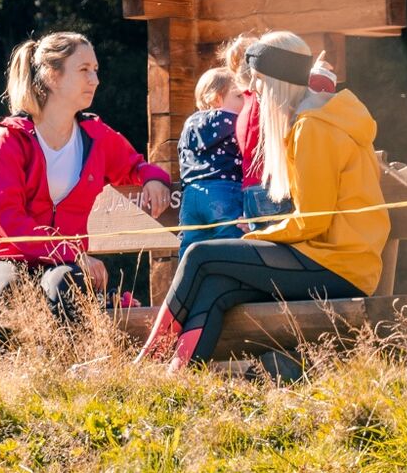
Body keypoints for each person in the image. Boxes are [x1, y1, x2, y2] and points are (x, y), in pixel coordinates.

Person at [140, 33, 385, 369]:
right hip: (328, 257)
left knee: (200, 254)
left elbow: (313, 220)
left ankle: (146, 363)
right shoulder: (321, 116)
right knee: (217, 286)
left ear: (276, 81)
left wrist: (255, 237)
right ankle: (174, 378)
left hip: (340, 265)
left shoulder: (313, 128)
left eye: (256, 80)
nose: (252, 89)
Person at [0, 33, 171, 355]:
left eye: (95, 70)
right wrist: (72, 252)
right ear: (52, 76)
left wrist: (153, 179)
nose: (95, 79)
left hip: (62, 267)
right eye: (84, 70)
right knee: (11, 287)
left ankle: (75, 372)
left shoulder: (96, 136)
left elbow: (134, 165)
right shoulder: (8, 140)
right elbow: (11, 221)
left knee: (67, 284)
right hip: (5, 260)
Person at [225, 32, 336, 221]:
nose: (252, 87)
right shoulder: (259, 106)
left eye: (258, 78)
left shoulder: (249, 107)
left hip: (257, 189)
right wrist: (320, 75)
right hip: (270, 189)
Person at [177, 67, 247, 245]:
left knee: (191, 244)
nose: (245, 100)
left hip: (191, 194)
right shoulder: (234, 121)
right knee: (230, 243)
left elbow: (182, 154)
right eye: (239, 96)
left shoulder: (189, 124)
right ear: (216, 99)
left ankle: (188, 264)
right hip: (225, 190)